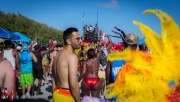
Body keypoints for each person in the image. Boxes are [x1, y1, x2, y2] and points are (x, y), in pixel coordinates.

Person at [53, 27, 81, 102]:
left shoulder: (58, 54)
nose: (80, 41)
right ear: (69, 41)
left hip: (57, 93)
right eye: (77, 39)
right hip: (67, 96)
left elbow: (54, 78)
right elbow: (73, 84)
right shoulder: (72, 56)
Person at [79, 30, 103, 98]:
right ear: (94, 53)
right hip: (96, 80)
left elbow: (83, 73)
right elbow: (99, 47)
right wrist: (101, 36)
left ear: (87, 54)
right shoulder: (97, 59)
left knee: (85, 99)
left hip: (86, 80)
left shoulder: (85, 62)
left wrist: (78, 79)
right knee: (95, 99)